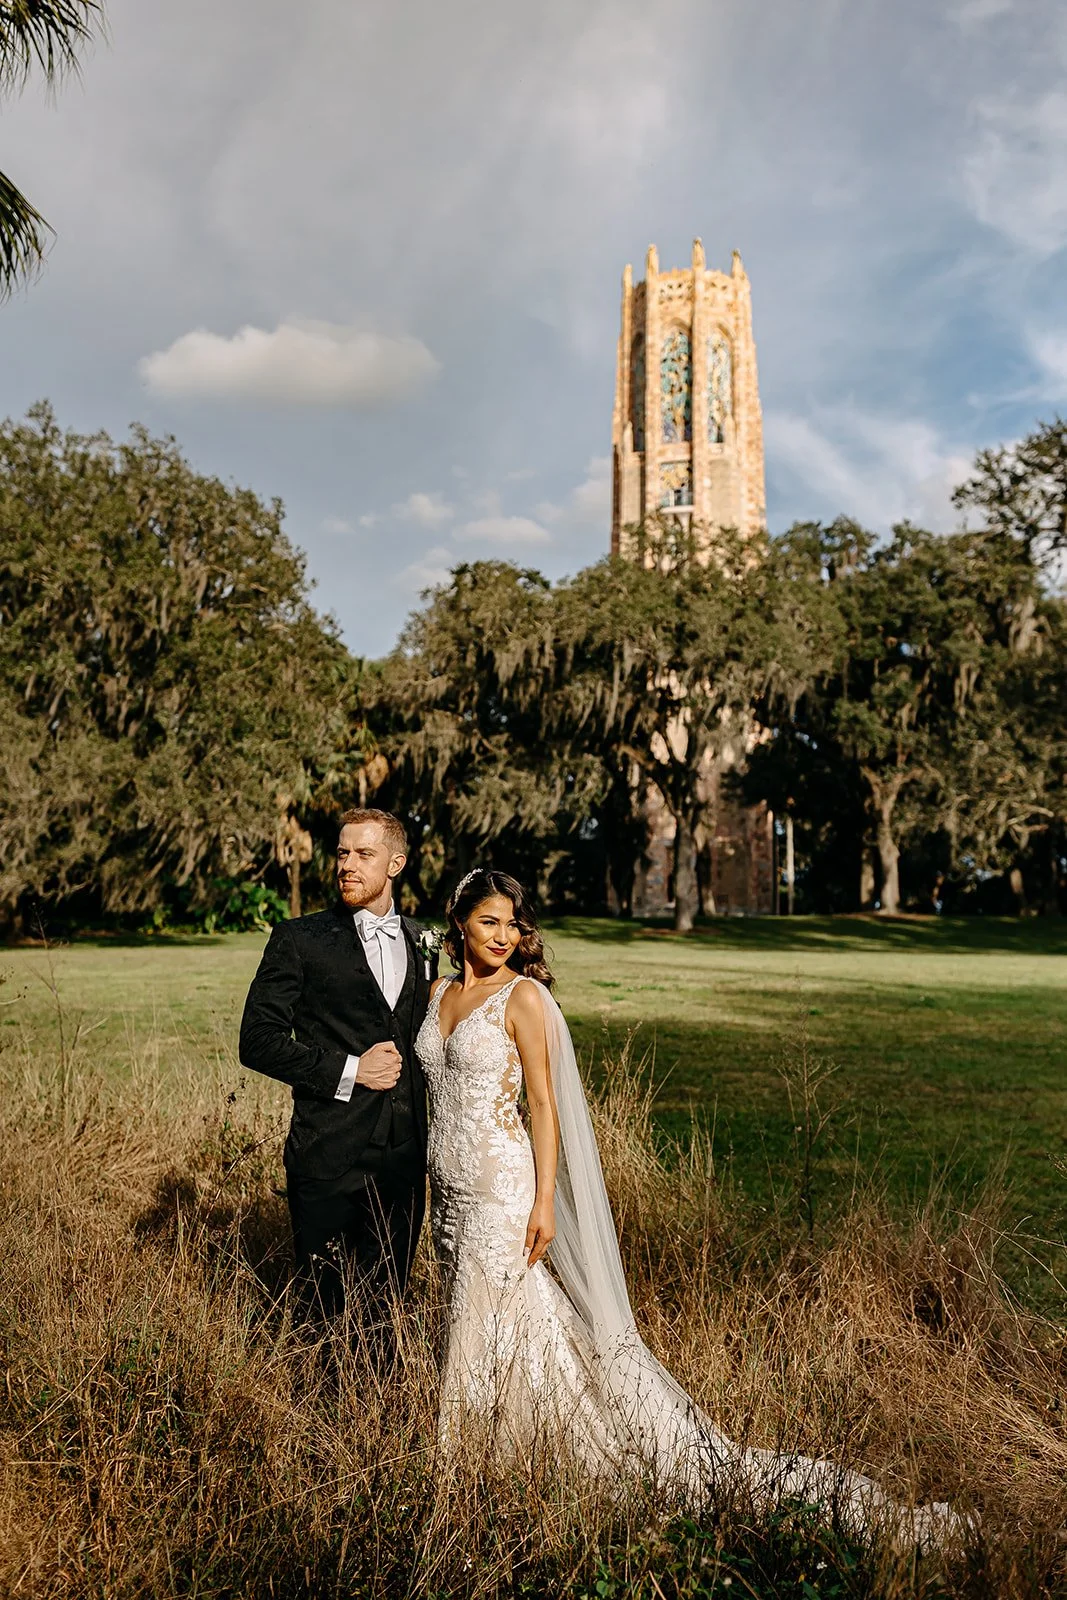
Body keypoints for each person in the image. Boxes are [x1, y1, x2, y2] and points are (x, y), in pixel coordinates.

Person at [415, 867, 958, 1544]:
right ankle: (497, 1453)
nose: (501, 935)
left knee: (500, 1315)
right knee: (482, 1319)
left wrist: (544, 1201)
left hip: (502, 1187)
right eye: (487, 921)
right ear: (459, 921)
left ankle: (475, 1462)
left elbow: (545, 1107)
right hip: (449, 1192)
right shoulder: (436, 993)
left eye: (511, 923)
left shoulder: (522, 998)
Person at [239, 808, 436, 1353]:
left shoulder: (426, 942)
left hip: (404, 1157)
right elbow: (257, 1040)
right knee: (323, 1312)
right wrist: (351, 1069)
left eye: (364, 855)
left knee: (387, 1307)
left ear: (396, 862)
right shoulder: (300, 938)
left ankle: (379, 1424)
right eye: (343, 853)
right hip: (328, 1150)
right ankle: (318, 1428)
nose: (347, 865)